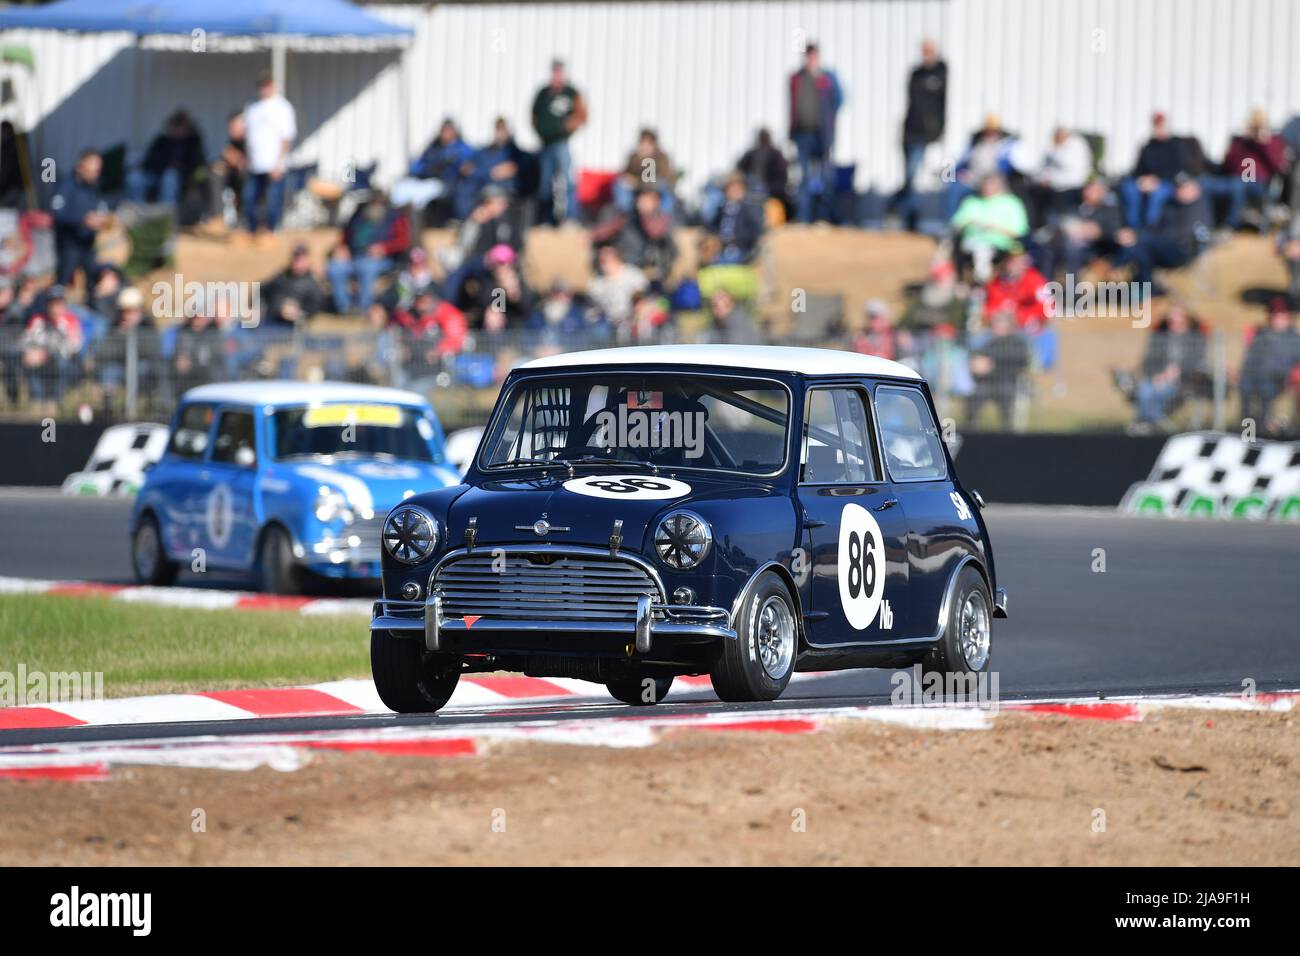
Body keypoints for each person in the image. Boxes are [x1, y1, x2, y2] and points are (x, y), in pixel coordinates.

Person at [1110, 175, 1212, 291]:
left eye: (1185, 187)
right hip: (1161, 247)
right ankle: (1145, 293)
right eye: (1178, 187)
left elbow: (1179, 235)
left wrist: (1138, 237)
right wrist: (1135, 234)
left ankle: (1113, 268)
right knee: (1141, 253)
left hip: (1182, 251)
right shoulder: (1170, 204)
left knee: (1141, 247)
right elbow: (1155, 228)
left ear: (1195, 189)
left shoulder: (1198, 209)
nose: (1180, 190)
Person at [1123, 303, 1208, 430]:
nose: (1173, 319)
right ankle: (1154, 424)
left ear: (1186, 318)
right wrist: (1157, 376)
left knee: (1155, 394)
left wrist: (1177, 372)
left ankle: (1146, 423)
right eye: (1171, 316)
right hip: (1156, 379)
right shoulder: (1160, 337)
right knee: (1145, 391)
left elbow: (1198, 362)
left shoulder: (1195, 338)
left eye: (1177, 316)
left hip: (1182, 381)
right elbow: (1148, 362)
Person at [1202, 109, 1289, 231]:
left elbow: (1278, 166)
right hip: (1234, 179)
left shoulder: (1274, 141)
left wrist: (1264, 144)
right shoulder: (1240, 141)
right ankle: (1207, 224)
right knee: (1204, 184)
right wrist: (1244, 145)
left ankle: (1230, 225)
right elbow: (1228, 163)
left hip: (1259, 184)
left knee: (1238, 185)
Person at [439, 185, 526, 307]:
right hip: (478, 262)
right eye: (499, 202)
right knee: (455, 274)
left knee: (500, 280)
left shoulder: (510, 220)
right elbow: (465, 246)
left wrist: (507, 263)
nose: (503, 206)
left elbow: (517, 245)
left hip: (504, 262)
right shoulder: (477, 219)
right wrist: (473, 223)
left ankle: (497, 311)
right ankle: (448, 307)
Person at [327, 193, 410, 314]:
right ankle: (344, 308)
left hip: (383, 260)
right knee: (335, 268)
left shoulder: (395, 217)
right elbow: (346, 236)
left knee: (366, 266)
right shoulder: (358, 215)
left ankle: (364, 308)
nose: (375, 203)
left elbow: (403, 241)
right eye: (373, 200)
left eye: (379, 201)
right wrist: (342, 248)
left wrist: (384, 248)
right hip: (354, 257)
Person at [788, 42, 843, 223]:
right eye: (807, 56)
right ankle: (803, 217)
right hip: (802, 134)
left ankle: (823, 216)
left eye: (813, 56)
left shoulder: (827, 77)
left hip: (822, 135)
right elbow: (792, 107)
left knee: (824, 176)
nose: (810, 59)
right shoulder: (796, 78)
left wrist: (828, 123)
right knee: (804, 177)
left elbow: (839, 100)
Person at [531, 59, 587, 225]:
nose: (556, 75)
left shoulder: (571, 93)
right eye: (554, 71)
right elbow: (534, 116)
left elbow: (581, 115)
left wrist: (565, 128)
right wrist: (542, 130)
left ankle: (571, 217)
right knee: (545, 182)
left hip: (562, 144)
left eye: (559, 72)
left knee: (567, 181)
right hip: (545, 145)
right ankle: (546, 219)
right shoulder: (543, 93)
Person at [242, 71, 297, 239]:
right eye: (261, 85)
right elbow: (247, 136)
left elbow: (287, 137)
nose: (264, 89)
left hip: (274, 164)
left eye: (267, 85)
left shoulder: (282, 107)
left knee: (273, 202)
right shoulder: (252, 108)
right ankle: (252, 232)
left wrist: (279, 162)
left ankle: (271, 232)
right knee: (249, 199)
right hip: (254, 164)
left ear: (273, 86)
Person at [950, 174, 1029, 281]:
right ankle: (952, 282)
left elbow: (1020, 231)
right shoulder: (971, 201)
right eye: (984, 185)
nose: (986, 188)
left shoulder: (1011, 203)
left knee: (982, 250)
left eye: (990, 185)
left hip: (1002, 244)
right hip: (970, 242)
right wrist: (969, 224)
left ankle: (982, 283)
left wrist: (993, 228)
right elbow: (956, 224)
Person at [50, 149, 110, 290]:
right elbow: (56, 215)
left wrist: (102, 220)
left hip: (88, 245)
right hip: (69, 245)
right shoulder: (65, 186)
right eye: (93, 169)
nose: (96, 172)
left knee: (93, 282)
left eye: (98, 169)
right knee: (62, 284)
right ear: (81, 167)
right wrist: (82, 220)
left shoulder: (94, 188)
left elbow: (101, 208)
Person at [1238, 300, 1300, 433]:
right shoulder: (1261, 335)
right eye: (1275, 316)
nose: (1278, 320)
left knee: (1265, 386)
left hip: (1280, 379)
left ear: (1288, 318)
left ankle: (1265, 426)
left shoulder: (1294, 339)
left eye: (1282, 316)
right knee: (1245, 386)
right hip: (1255, 376)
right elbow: (1250, 360)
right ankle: (1247, 430)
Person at [95, 286, 162, 408]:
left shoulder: (148, 327)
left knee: (146, 369)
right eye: (125, 311)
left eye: (132, 311)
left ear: (140, 311)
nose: (128, 316)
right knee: (109, 371)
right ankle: (109, 408)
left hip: (142, 370)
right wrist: (122, 336)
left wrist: (132, 336)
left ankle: (143, 405)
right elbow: (103, 353)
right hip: (121, 369)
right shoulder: (115, 329)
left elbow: (152, 351)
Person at [899, 39, 947, 210]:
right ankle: (911, 214)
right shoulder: (916, 74)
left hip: (933, 136)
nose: (926, 54)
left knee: (939, 175)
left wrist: (936, 130)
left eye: (929, 50)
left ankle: (932, 213)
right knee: (912, 176)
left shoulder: (943, 72)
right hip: (912, 133)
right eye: (924, 51)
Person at [591, 186, 677, 279]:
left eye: (645, 199)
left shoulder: (663, 220)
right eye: (639, 198)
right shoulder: (627, 217)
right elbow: (606, 231)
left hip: (646, 264)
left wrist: (645, 215)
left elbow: (655, 233)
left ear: (655, 201)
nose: (640, 202)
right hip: (624, 264)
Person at [966, 306, 1031, 430]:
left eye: (999, 323)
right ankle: (970, 429)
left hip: (1008, 381)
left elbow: (1019, 361)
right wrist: (976, 363)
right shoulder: (990, 342)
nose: (995, 326)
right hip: (986, 381)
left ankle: (1007, 432)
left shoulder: (1018, 343)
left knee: (1005, 397)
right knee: (974, 396)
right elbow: (977, 357)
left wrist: (992, 364)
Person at [20, 285, 84, 409]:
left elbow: (74, 347)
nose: (55, 307)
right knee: (28, 361)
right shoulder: (38, 320)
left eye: (58, 303)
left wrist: (46, 353)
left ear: (64, 304)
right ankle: (37, 400)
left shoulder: (71, 320)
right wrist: (30, 352)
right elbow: (25, 340)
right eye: (52, 303)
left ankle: (54, 401)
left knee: (61, 363)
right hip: (41, 363)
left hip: (65, 364)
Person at [1120, 112, 1187, 228]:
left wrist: (1157, 180)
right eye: (1157, 126)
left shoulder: (1176, 146)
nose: (1159, 129)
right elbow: (1137, 169)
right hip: (1146, 182)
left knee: (1157, 194)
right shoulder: (1148, 147)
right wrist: (1141, 180)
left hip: (1167, 183)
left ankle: (1150, 227)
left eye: (1161, 126)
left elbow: (1177, 169)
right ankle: (1133, 227)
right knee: (1129, 189)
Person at [131, 109, 205, 207]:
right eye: (175, 125)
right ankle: (138, 210)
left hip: (179, 178)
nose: (178, 129)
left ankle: (165, 211)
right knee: (134, 178)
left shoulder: (193, 143)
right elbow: (150, 161)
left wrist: (178, 167)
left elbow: (197, 163)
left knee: (170, 176)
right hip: (156, 174)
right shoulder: (161, 141)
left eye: (181, 126)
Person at [702, 173, 764, 265]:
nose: (734, 193)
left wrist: (737, 238)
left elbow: (755, 231)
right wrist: (717, 237)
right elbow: (710, 226)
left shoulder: (747, 210)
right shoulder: (721, 209)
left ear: (743, 191)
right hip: (721, 251)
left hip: (740, 250)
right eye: (731, 190)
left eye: (737, 190)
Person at [613, 128, 677, 215]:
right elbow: (627, 174)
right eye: (643, 142)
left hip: (657, 189)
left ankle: (664, 215)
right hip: (637, 190)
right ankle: (626, 212)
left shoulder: (661, 157)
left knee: (666, 191)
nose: (645, 145)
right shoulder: (634, 157)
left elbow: (656, 179)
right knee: (620, 184)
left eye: (648, 143)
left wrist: (637, 182)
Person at [263, 243, 330, 324]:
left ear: (307, 261)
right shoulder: (282, 276)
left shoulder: (312, 284)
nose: (297, 263)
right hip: (268, 320)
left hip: (289, 327)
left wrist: (298, 312)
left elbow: (315, 306)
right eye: (295, 259)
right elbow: (263, 289)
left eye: (300, 260)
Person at [204, 111, 248, 230]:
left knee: (246, 177)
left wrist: (239, 161)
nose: (232, 130)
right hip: (232, 177)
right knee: (215, 174)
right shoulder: (231, 142)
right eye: (230, 127)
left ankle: (245, 218)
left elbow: (252, 164)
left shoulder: (252, 141)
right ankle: (217, 217)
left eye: (235, 126)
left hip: (246, 178)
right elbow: (223, 160)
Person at [587, 244, 648, 329]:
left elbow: (641, 297)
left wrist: (639, 309)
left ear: (617, 257)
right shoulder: (597, 283)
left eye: (608, 257)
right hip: (608, 324)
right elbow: (594, 308)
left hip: (632, 321)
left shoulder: (633, 275)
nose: (605, 260)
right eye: (602, 260)